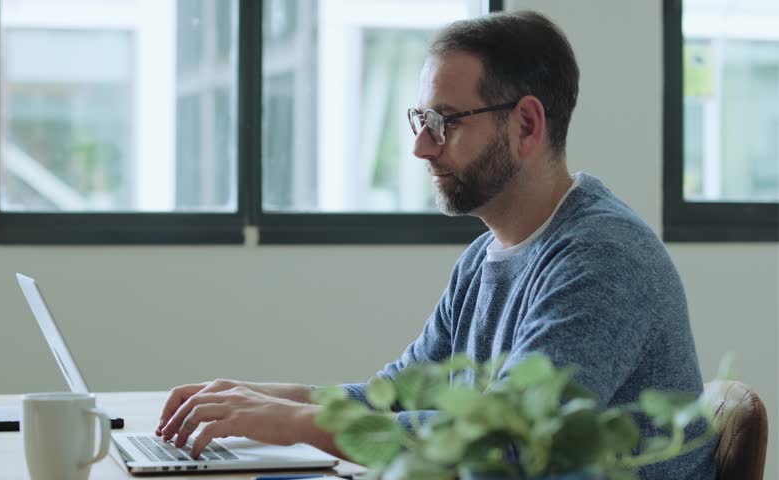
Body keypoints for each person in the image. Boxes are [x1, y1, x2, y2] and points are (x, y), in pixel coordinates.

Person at [156, 11, 716, 479]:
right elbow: (397, 398)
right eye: (422, 120)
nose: (422, 147)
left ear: (526, 125)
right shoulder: (481, 261)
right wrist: (261, 400)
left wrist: (294, 423)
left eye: (445, 121)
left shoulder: (603, 257)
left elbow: (509, 449)